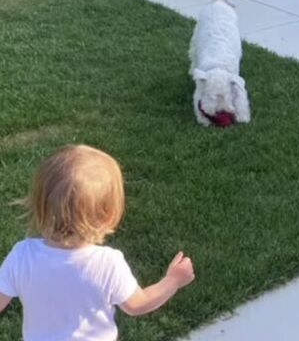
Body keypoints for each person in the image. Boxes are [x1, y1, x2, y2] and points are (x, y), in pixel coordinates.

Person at [0, 144, 195, 340]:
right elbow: (138, 305)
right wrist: (173, 281)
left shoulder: (22, 256)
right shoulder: (108, 263)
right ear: (109, 215)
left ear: (39, 204)